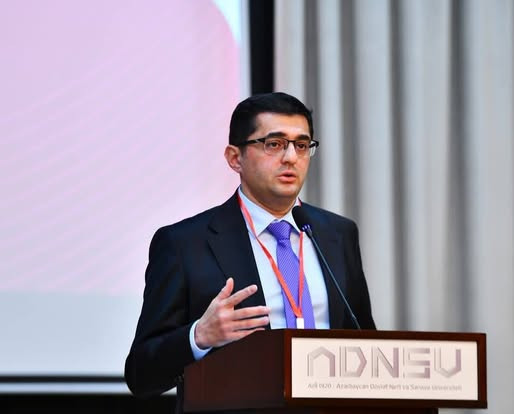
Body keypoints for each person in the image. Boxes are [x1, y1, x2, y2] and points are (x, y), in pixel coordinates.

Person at [125, 92, 375, 411]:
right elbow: (141, 374)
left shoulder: (338, 234)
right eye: (274, 144)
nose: (291, 157)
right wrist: (199, 337)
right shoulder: (184, 244)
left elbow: (365, 340)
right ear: (235, 158)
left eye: (301, 145)